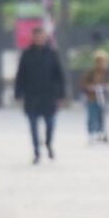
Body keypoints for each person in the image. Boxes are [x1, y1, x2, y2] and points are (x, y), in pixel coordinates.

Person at [14, 27, 66, 164]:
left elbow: (59, 76)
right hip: (32, 96)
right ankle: (36, 151)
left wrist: (61, 95)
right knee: (33, 126)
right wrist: (18, 93)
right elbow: (21, 75)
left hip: (49, 96)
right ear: (33, 38)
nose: (39, 39)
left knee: (50, 124)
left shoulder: (52, 54)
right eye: (37, 37)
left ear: (45, 38)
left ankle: (48, 143)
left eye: (41, 36)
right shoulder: (26, 54)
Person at [80, 50, 109, 144]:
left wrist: (107, 86)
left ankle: (101, 132)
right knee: (92, 116)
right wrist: (89, 87)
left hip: (103, 97)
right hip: (92, 97)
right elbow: (84, 82)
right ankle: (91, 133)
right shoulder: (91, 71)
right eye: (99, 61)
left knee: (102, 115)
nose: (101, 63)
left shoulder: (107, 72)